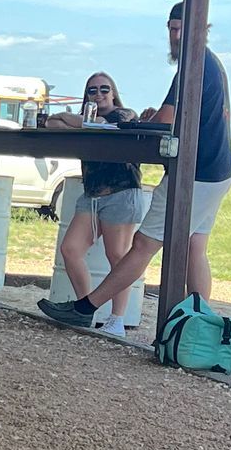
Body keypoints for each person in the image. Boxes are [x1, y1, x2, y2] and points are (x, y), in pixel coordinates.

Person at [39, 1, 231, 331]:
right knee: (194, 246)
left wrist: (153, 120)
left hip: (196, 172)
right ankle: (199, 323)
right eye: (171, 29)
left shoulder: (195, 65)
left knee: (143, 245)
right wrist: (156, 118)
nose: (175, 36)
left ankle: (87, 307)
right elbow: (175, 117)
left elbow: (168, 118)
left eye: (180, 29)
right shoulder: (207, 64)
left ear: (201, 29)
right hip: (217, 168)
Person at [40, 71, 151, 338]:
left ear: (113, 92)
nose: (99, 94)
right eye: (92, 90)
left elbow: (98, 123)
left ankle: (117, 318)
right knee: (70, 249)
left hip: (121, 191)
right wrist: (72, 121)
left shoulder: (125, 116)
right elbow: (51, 126)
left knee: (118, 257)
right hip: (92, 194)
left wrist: (70, 119)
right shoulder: (84, 119)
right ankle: (83, 308)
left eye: (104, 89)